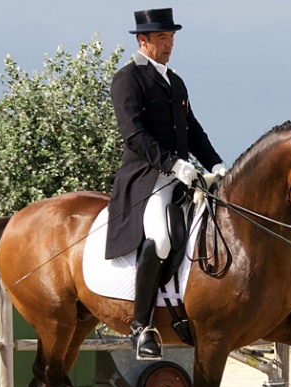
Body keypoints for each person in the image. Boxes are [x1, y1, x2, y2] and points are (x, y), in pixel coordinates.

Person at [105, 7, 228, 359]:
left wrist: (216, 163)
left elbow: (193, 130)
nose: (169, 43)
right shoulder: (128, 80)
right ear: (143, 40)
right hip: (147, 178)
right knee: (159, 239)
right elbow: (134, 136)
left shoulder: (175, 81)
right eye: (162, 38)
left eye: (172, 37)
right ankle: (140, 327)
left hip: (183, 177)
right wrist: (174, 164)